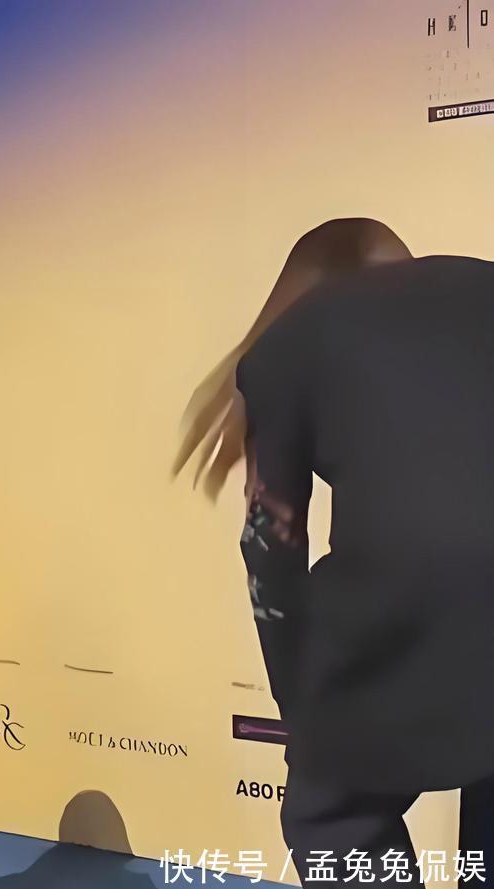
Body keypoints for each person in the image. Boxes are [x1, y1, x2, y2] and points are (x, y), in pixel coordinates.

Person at [177, 219, 494, 885]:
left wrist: (305, 714)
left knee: (331, 815)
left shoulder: (291, 341)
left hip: (417, 600)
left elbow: (272, 544)